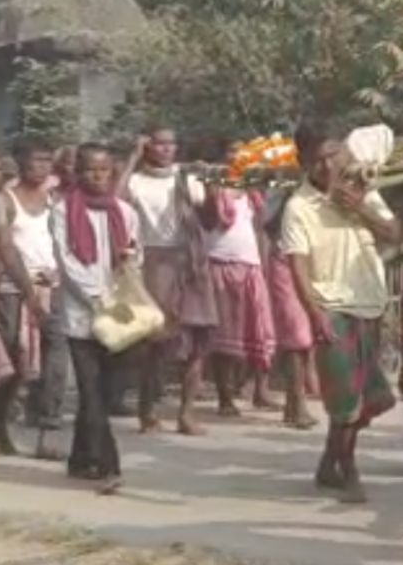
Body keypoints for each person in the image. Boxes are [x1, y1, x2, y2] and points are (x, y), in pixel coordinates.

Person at [281, 120, 399, 504]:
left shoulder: (363, 188)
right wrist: (315, 316)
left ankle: (329, 461)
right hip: (331, 307)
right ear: (304, 163)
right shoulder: (299, 206)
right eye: (319, 160)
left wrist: (361, 208)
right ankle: (347, 470)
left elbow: (394, 234)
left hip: (369, 303)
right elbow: (297, 266)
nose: (329, 166)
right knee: (346, 401)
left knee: (376, 399)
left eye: (335, 155)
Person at [52, 143, 140, 495]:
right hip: (82, 315)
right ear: (78, 172)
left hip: (118, 313)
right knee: (90, 392)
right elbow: (68, 263)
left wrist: (129, 261)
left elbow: (135, 255)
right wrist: (97, 299)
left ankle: (79, 457)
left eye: (104, 170)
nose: (98, 176)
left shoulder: (125, 211)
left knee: (104, 391)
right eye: (90, 170)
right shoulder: (62, 211)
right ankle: (109, 465)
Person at [121, 126, 217, 431]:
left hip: (189, 260)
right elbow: (116, 201)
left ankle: (186, 414)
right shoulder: (135, 181)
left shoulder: (186, 178)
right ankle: (147, 410)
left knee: (197, 338)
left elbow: (210, 219)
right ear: (147, 146)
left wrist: (211, 185)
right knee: (156, 342)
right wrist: (131, 158)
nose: (166, 149)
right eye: (158, 144)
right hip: (153, 261)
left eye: (171, 144)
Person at [0, 137, 67, 461]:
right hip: (13, 289)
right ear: (20, 162)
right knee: (15, 363)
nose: (42, 166)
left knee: (55, 363)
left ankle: (46, 429)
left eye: (48, 160)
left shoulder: (54, 199)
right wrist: (26, 289)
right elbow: (4, 248)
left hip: (51, 286)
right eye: (36, 160)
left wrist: (60, 273)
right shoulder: (5, 200)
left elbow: (62, 242)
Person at [200, 142, 278, 426]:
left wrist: (264, 263)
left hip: (251, 265)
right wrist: (211, 189)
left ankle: (260, 390)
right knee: (224, 335)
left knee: (258, 330)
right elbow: (208, 221)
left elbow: (260, 231)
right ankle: (225, 396)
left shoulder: (253, 194)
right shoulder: (213, 189)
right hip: (220, 263)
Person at [266, 187, 319, 430]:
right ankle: (297, 402)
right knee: (296, 335)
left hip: (313, 264)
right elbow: (267, 224)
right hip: (284, 262)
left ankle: (293, 400)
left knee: (307, 336)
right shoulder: (282, 193)